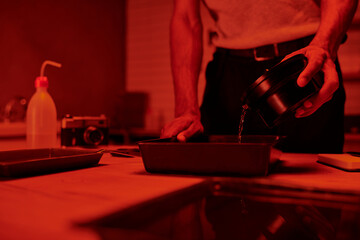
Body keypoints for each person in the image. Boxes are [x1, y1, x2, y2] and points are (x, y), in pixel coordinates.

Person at [161, 0, 359, 153]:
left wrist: (324, 45)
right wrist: (186, 110)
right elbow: (185, 17)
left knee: (314, 192)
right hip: (229, 72)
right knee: (223, 194)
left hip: (304, 63)